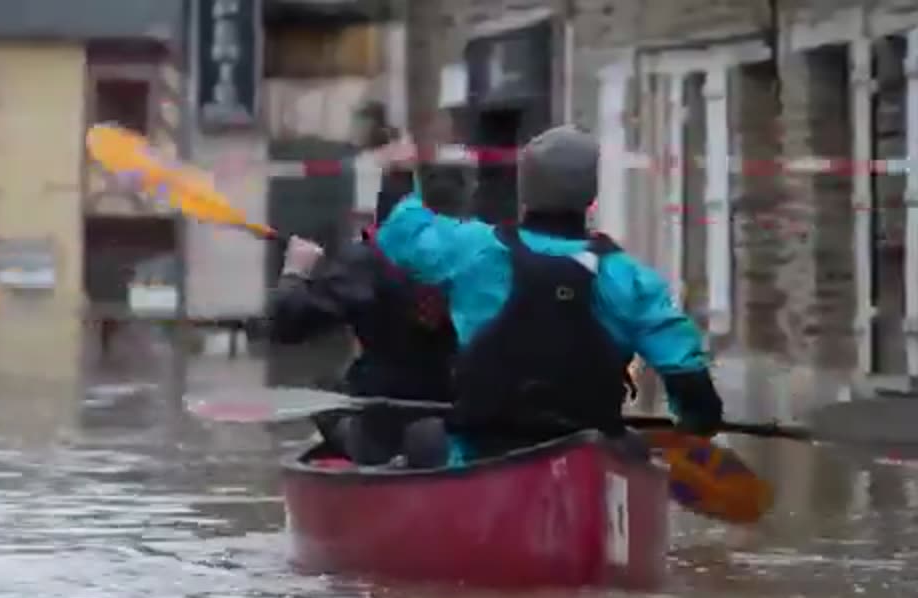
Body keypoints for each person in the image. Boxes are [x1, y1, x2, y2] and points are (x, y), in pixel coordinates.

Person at [373, 126, 724, 467]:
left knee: (424, 436)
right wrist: (693, 429)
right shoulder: (630, 279)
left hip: (486, 449)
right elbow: (690, 381)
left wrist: (398, 174)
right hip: (589, 452)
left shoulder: (472, 249)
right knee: (629, 447)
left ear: (524, 190)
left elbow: (396, 234)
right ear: (591, 196)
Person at [266, 166, 465, 466]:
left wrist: (296, 272)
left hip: (383, 432)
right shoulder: (485, 254)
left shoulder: (367, 263)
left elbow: (286, 323)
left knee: (324, 389)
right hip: (465, 419)